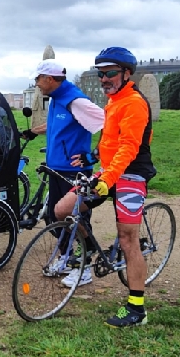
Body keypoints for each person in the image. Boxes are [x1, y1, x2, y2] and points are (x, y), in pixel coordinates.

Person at [54, 47, 156, 327]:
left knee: (127, 239)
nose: (103, 79)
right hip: (107, 173)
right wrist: (93, 157)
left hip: (131, 174)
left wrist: (106, 180)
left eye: (110, 73)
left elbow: (128, 148)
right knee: (63, 209)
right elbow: (111, 141)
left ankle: (137, 308)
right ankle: (89, 253)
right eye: (101, 74)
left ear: (126, 73)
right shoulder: (113, 102)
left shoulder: (133, 103)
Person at [21, 60, 104, 284]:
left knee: (75, 218)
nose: (36, 83)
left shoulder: (75, 100)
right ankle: (67, 257)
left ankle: (85, 263)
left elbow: (107, 122)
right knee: (53, 217)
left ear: (50, 79)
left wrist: (94, 155)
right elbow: (55, 125)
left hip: (75, 172)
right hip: (58, 169)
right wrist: (32, 132)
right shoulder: (57, 99)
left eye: (38, 78)